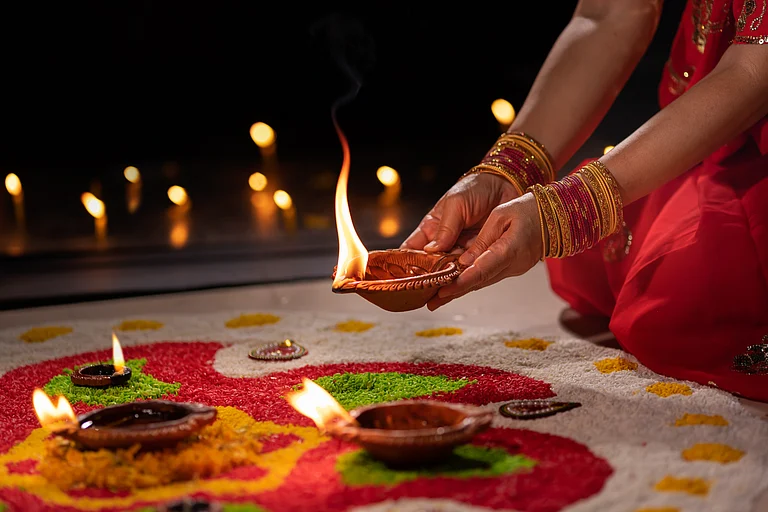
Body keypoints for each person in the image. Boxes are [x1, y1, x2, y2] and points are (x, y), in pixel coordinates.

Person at [401, 0, 768, 402]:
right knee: (593, 254)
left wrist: (571, 209)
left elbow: (753, 71)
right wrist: (506, 171)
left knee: (676, 304)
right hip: (716, 148)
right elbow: (608, 13)